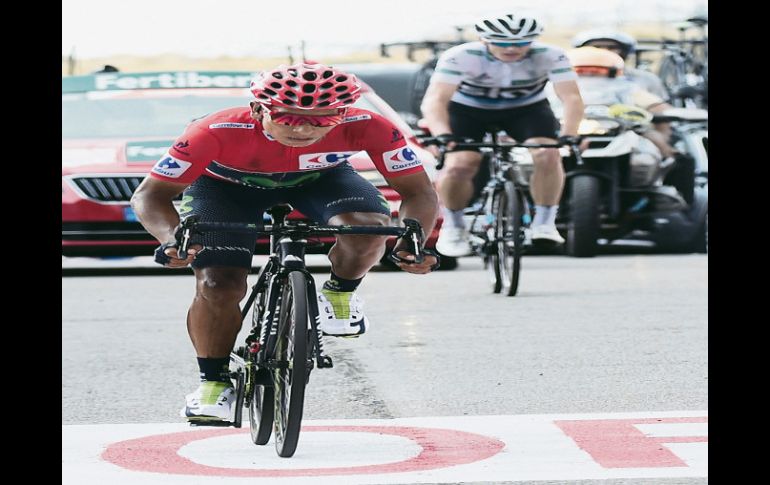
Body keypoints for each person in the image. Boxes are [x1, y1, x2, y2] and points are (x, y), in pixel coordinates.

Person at [130, 62, 439, 423]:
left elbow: (419, 192)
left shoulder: (370, 126)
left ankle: (341, 291)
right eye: (287, 117)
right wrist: (172, 238)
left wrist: (413, 242)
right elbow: (149, 195)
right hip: (225, 189)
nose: (304, 129)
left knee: (369, 228)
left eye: (323, 120)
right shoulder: (212, 130)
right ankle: (213, 384)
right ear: (258, 109)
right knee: (218, 284)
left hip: (320, 179)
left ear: (342, 114)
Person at [420, 13, 585, 256]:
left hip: (526, 110)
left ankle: (544, 223)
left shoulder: (552, 55)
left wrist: (569, 134)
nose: (511, 49)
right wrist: (443, 134)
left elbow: (571, 98)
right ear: (483, 40)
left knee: (548, 154)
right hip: (468, 111)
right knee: (461, 163)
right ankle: (454, 226)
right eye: (501, 43)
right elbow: (435, 99)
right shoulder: (460, 56)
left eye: (521, 43)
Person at [560, 47, 695, 203]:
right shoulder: (558, 87)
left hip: (625, 131)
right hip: (568, 133)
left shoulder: (627, 88)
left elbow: (658, 107)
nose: (590, 73)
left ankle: (681, 203)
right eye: (583, 70)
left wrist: (667, 117)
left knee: (675, 156)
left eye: (596, 70)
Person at [570, 29, 668, 100]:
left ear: (624, 52)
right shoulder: (567, 78)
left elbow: (661, 110)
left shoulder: (646, 79)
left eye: (612, 47)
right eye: (596, 47)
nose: (604, 51)